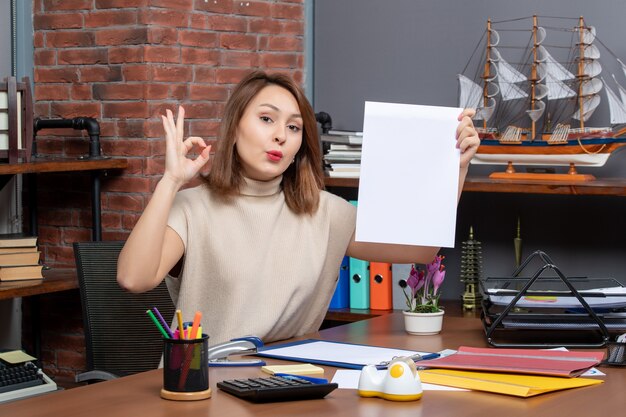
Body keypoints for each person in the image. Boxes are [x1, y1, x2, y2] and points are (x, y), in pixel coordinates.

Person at [117, 70, 479, 345]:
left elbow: (421, 249)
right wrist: (171, 181)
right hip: (206, 386)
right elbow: (134, 278)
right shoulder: (191, 207)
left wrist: (456, 167)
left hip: (293, 387)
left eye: (294, 127)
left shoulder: (327, 212)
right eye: (266, 119)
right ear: (234, 127)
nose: (281, 135)